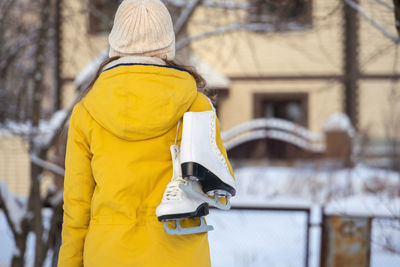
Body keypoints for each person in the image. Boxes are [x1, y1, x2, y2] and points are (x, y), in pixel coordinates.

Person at [57, 0, 234, 266]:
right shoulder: (195, 105)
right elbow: (218, 185)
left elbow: (76, 207)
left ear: (116, 44)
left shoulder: (87, 110)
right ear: (167, 45)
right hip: (179, 252)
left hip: (109, 254)